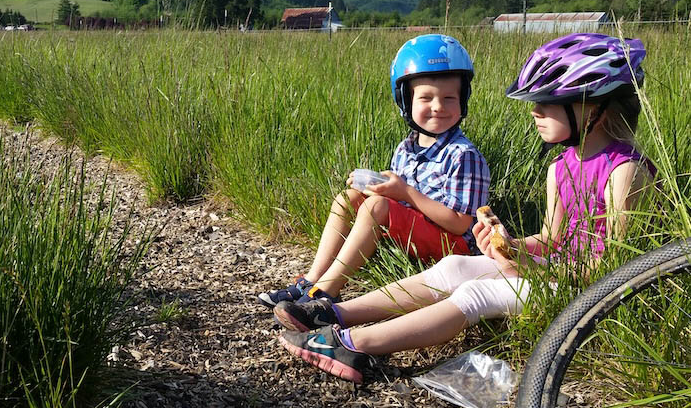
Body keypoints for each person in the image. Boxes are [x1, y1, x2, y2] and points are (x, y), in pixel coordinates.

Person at [273, 33, 654, 384]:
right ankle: (333, 312)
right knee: (454, 267)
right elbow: (554, 238)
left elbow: (616, 272)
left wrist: (522, 268)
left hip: (584, 291)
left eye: (550, 103)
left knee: (476, 295)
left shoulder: (626, 171)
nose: (536, 111)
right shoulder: (561, 166)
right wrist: (512, 245)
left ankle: (355, 344)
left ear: (594, 109)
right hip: (551, 271)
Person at [258, 34, 491, 308]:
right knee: (349, 199)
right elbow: (398, 202)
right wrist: (377, 187)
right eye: (426, 98)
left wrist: (404, 191)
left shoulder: (464, 155)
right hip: (419, 231)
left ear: (463, 99)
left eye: (449, 98)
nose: (438, 106)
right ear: (406, 101)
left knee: (376, 207)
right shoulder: (407, 148)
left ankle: (326, 292)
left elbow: (461, 223)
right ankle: (312, 278)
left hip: (454, 247)